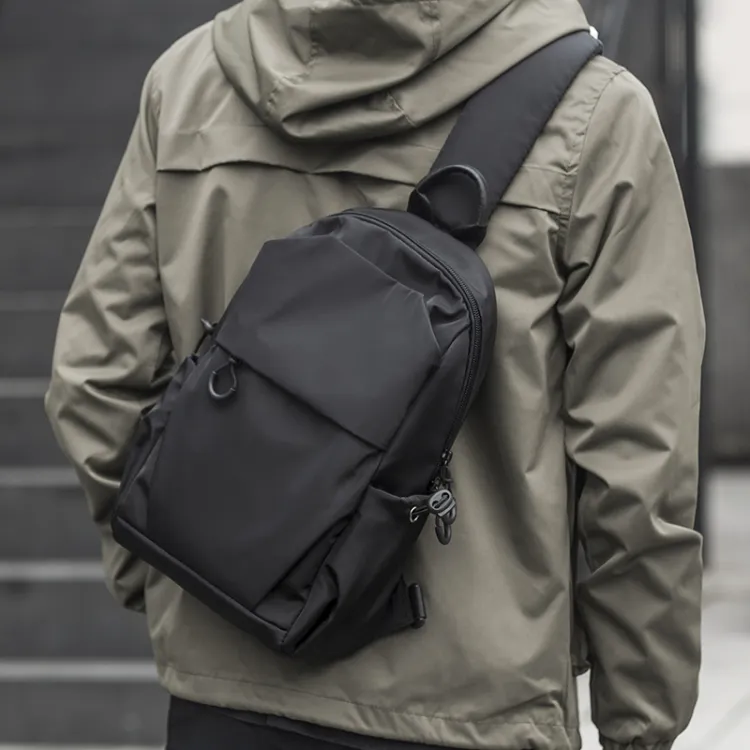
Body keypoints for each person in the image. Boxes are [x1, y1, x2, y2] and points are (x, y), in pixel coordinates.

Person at [45, 1, 705, 749]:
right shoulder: (596, 117)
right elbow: (638, 465)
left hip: (226, 689)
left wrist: (172, 572)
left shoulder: (192, 80)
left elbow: (94, 378)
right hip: (472, 701)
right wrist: (640, 719)